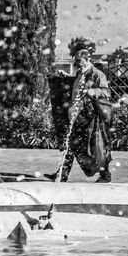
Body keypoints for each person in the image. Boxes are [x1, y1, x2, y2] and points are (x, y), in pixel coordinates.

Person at [44, 49, 113, 183]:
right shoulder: (80, 73)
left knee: (97, 146)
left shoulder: (97, 75)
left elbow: (106, 92)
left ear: (87, 59)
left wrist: (92, 91)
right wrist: (67, 76)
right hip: (76, 116)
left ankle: (106, 175)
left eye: (78, 61)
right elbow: (77, 86)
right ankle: (62, 175)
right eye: (75, 61)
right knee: (69, 144)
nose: (76, 63)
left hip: (90, 117)